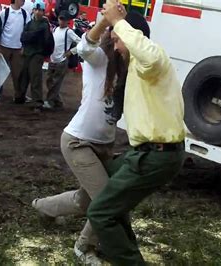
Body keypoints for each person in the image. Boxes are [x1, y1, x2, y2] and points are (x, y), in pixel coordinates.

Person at [86, 1, 186, 265]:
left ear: (133, 37)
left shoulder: (152, 61)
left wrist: (119, 21)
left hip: (156, 156)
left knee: (100, 213)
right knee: (103, 175)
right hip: (146, 153)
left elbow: (148, 55)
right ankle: (123, 250)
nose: (116, 47)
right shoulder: (137, 68)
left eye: (118, 40)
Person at [31, 20, 127, 264]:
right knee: (106, 198)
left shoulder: (129, 69)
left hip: (105, 145)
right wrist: (106, 20)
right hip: (78, 141)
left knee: (85, 200)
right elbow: (84, 48)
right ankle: (84, 247)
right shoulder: (99, 59)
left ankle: (43, 206)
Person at [43, 11, 81, 109]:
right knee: (49, 81)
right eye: (60, 19)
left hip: (61, 61)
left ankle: (50, 101)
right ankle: (58, 101)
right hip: (53, 59)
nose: (61, 21)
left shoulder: (69, 32)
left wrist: (71, 52)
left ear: (68, 21)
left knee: (55, 82)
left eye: (64, 19)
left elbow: (80, 43)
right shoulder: (55, 29)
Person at [0, 0, 30, 101]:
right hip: (4, 46)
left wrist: (24, 47)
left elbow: (26, 32)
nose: (23, 1)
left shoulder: (25, 14)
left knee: (18, 73)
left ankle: (18, 95)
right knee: (1, 71)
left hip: (18, 48)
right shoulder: (4, 13)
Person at [17, 0, 49, 108]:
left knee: (35, 78)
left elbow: (36, 37)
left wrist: (28, 36)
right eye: (37, 10)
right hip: (27, 52)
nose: (38, 12)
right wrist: (29, 37)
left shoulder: (45, 25)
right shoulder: (29, 23)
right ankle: (19, 97)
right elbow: (23, 37)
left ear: (44, 12)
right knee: (23, 76)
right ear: (33, 10)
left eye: (41, 10)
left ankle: (37, 102)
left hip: (37, 54)